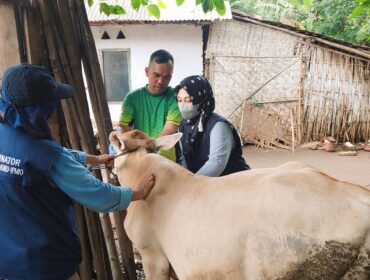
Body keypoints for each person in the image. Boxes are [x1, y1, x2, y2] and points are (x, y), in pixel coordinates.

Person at [0, 63, 155, 280]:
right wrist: (135, 193)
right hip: (47, 266)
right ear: (41, 109)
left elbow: (40, 155)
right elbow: (97, 194)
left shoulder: (6, 134)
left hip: (8, 261)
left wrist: (90, 158)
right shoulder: (48, 157)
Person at [175, 75, 251, 176]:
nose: (182, 105)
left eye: (188, 100)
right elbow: (183, 160)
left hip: (234, 184)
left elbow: (216, 163)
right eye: (179, 100)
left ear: (201, 99)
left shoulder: (218, 126)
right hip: (204, 185)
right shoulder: (183, 126)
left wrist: (192, 185)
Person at [118, 49, 182, 161]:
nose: (161, 81)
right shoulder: (132, 98)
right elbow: (124, 128)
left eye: (167, 77)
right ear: (147, 71)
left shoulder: (175, 97)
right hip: (139, 158)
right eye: (156, 75)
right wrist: (120, 141)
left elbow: (170, 129)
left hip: (166, 161)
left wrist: (149, 147)